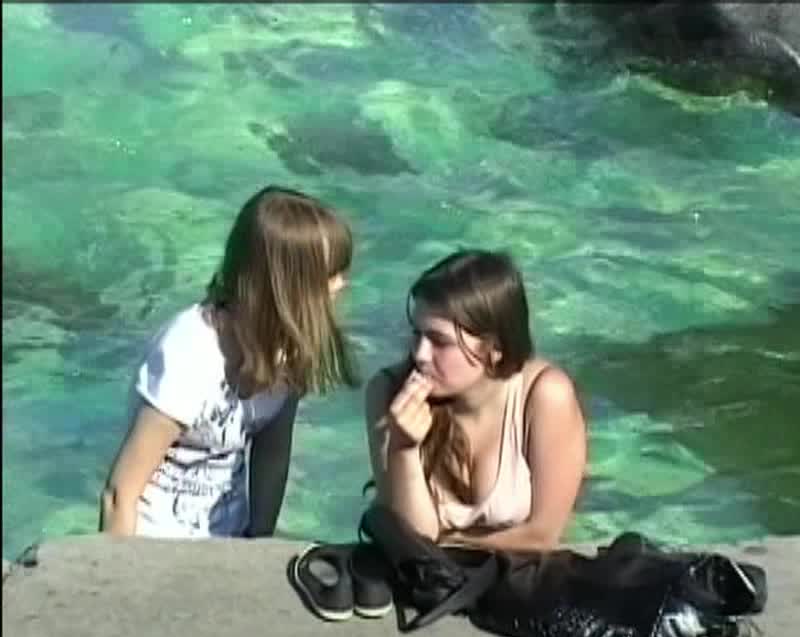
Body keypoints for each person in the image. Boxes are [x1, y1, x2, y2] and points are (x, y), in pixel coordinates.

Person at [99, 185, 358, 538]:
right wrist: (119, 571)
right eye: (330, 274)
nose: (341, 284)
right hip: (153, 546)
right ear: (285, 288)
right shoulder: (189, 353)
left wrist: (259, 541)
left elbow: (271, 454)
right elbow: (120, 495)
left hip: (227, 545)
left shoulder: (290, 348)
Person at [364, 249, 587, 551]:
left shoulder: (544, 395)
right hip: (423, 573)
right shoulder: (388, 392)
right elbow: (415, 542)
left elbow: (543, 534)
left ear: (494, 348)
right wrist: (404, 449)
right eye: (417, 334)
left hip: (515, 572)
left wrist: (453, 544)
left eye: (439, 341)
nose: (420, 355)